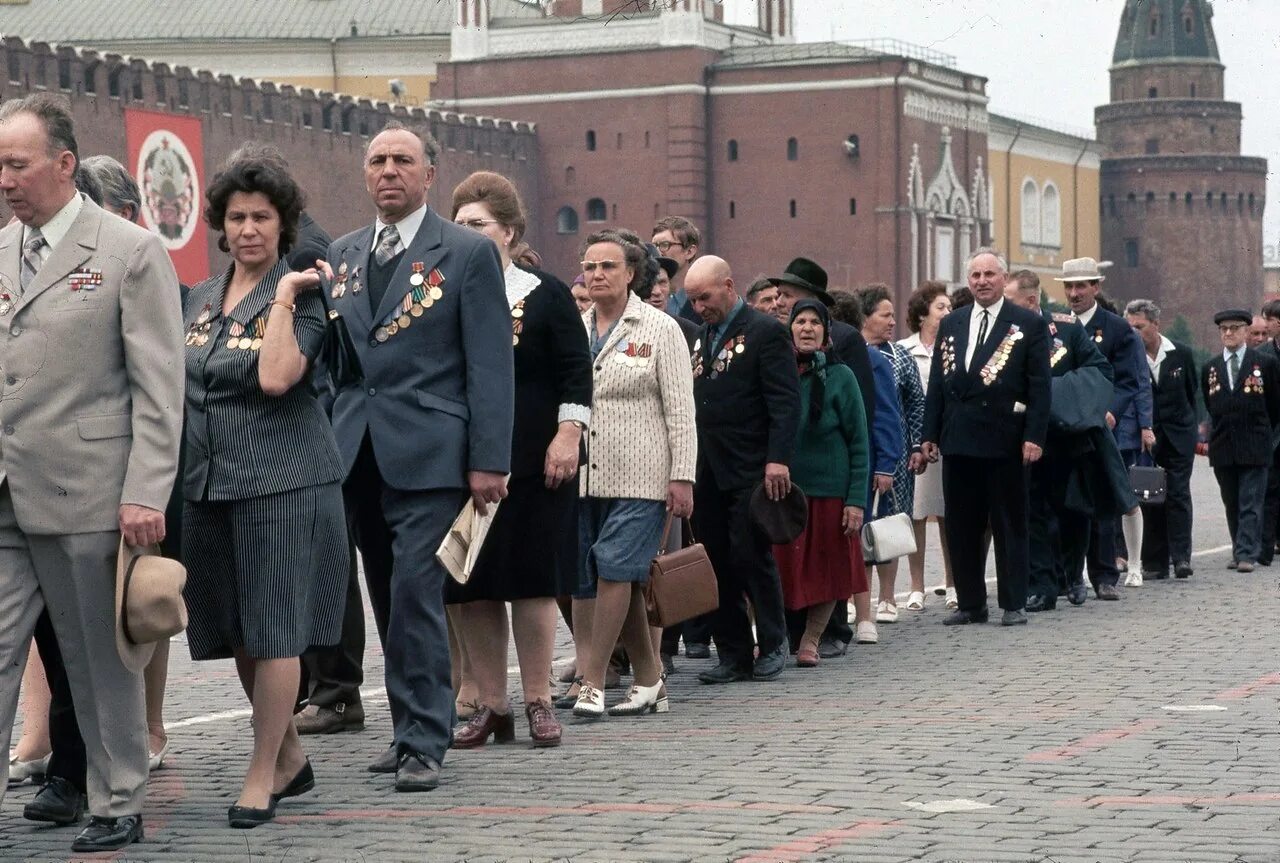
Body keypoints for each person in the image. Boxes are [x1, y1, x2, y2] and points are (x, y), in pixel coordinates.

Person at [0, 93, 183, 852]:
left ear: (65, 164)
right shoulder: (2, 246)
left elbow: (159, 384)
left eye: (17, 163)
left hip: (90, 490)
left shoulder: (128, 251)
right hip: (8, 486)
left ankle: (116, 798)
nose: (4, 179)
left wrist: (146, 489)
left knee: (98, 656)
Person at [323, 121, 513, 792]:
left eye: (403, 160)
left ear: (429, 175)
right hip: (360, 450)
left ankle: (425, 739)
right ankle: (408, 726)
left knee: (415, 591)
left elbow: (490, 363)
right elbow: (340, 363)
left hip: (433, 451)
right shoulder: (343, 255)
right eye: (377, 160)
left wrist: (489, 458)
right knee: (384, 594)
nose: (388, 171)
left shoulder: (464, 252)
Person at [180, 154, 348, 827]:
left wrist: (280, 297)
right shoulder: (197, 295)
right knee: (239, 632)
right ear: (220, 223)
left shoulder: (305, 294)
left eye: (262, 217)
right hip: (209, 484)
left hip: (284, 482)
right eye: (237, 217)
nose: (248, 228)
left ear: (285, 223)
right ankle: (291, 755)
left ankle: (261, 772)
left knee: (277, 631)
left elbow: (278, 375)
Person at [445, 171, 590, 747]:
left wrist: (568, 434)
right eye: (458, 226)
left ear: (508, 231)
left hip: (534, 461)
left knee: (531, 584)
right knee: (473, 586)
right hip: (461, 461)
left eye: (477, 225)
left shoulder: (543, 293)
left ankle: (536, 700)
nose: (468, 235)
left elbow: (575, 369)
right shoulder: (441, 291)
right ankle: (490, 703)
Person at [571, 229, 695, 716]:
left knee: (615, 568)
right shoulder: (576, 327)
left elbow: (680, 411)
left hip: (643, 477)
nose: (597, 275)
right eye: (590, 266)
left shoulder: (660, 329)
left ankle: (593, 681)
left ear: (630, 275)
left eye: (608, 266)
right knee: (605, 577)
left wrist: (682, 476)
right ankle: (650, 679)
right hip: (586, 476)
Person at [921, 248, 1050, 627]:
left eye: (989, 275)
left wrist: (1034, 436)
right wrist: (930, 432)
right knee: (962, 525)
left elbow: (1040, 387)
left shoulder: (1026, 323)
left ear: (1003, 278)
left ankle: (1013, 602)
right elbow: (937, 385)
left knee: (1009, 523)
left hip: (1005, 440)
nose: (981, 282)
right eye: (975, 275)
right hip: (959, 440)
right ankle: (971, 602)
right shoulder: (954, 323)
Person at [687, 255, 800, 684]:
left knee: (750, 555)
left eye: (706, 297)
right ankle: (732, 652)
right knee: (715, 559)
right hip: (708, 469)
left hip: (752, 465)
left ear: (729, 286)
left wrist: (778, 459)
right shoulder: (703, 335)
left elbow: (786, 403)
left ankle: (773, 643)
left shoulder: (766, 332)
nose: (699, 307)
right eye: (694, 300)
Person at [771, 259, 887, 654]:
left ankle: (812, 638)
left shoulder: (841, 377)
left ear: (825, 334)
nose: (806, 328)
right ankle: (781, 635)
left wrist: (856, 500)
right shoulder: (780, 371)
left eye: (814, 324)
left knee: (827, 568)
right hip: (786, 491)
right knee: (785, 566)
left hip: (830, 490)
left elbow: (859, 441)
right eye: (800, 322)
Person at [1005, 275, 1123, 613]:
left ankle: (1073, 575)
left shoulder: (1066, 329)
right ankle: (1043, 585)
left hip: (1067, 438)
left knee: (1073, 510)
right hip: (1027, 437)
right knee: (1034, 511)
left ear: (1031, 301)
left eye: (1011, 300)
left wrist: (1057, 397)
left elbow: (1100, 370)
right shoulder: (1007, 335)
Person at [1056, 257, 1152, 599]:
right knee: (1065, 501)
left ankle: (1104, 574)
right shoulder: (1057, 325)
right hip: (1065, 428)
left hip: (1100, 427)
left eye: (1081, 285)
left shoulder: (1115, 328)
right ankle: (1067, 574)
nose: (1074, 293)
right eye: (1069, 286)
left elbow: (1127, 380)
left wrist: (1111, 412)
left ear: (1096, 287)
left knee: (1102, 499)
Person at [858, 285, 926, 619]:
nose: (891, 322)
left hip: (894, 458)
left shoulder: (901, 356)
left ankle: (887, 596)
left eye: (892, 315)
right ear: (865, 317)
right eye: (884, 315)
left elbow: (915, 404)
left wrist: (915, 445)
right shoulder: (852, 352)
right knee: (860, 524)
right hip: (861, 453)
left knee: (889, 525)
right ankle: (859, 598)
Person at [1200, 309, 1280, 573]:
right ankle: (1239, 548)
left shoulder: (1264, 363)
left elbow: (1274, 405)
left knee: (1250, 500)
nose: (1229, 333)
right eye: (1224, 329)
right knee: (1232, 501)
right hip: (1224, 443)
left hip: (1255, 442)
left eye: (1235, 328)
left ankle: (1247, 553)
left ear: (1246, 331)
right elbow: (1211, 404)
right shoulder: (1211, 366)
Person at [1125, 300, 1197, 580]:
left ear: (1156, 324)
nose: (1134, 333)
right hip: (1146, 439)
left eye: (1139, 327)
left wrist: (1188, 429)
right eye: (1130, 328)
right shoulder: (1130, 357)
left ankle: (1181, 558)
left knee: (1178, 494)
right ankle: (1155, 560)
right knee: (1149, 496)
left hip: (1178, 437)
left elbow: (1192, 394)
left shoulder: (1181, 354)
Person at [899, 281, 955, 607]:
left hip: (948, 441)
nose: (947, 313)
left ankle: (952, 584)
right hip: (916, 443)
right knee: (917, 513)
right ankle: (916, 586)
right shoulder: (904, 350)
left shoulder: (955, 348)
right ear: (923, 314)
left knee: (949, 513)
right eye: (940, 307)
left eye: (949, 307)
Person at [652, 215, 701, 323]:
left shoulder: (702, 300)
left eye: (665, 245)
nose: (658, 251)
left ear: (689, 251)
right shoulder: (646, 297)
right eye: (654, 246)